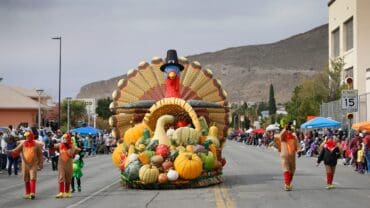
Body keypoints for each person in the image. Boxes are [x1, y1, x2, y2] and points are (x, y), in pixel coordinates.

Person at [7, 131, 43, 199]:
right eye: (26, 136)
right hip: (25, 164)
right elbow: (16, 150)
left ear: (31, 136)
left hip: (33, 164)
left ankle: (32, 193)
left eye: (28, 136)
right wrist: (10, 151)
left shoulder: (36, 145)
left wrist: (41, 163)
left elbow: (40, 155)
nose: (26, 137)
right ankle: (27, 193)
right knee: (26, 178)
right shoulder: (23, 144)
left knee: (33, 178)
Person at [274, 122, 299, 191]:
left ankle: (287, 184)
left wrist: (285, 128)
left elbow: (280, 135)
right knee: (292, 169)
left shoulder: (283, 137)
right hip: (291, 155)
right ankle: (288, 184)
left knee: (286, 169)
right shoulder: (293, 137)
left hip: (284, 154)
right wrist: (299, 151)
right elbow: (298, 146)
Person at [55, 133, 80, 198]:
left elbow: (75, 151)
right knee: (61, 177)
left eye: (66, 138)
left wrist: (78, 151)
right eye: (64, 138)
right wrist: (51, 144)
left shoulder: (72, 146)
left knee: (68, 178)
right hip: (61, 164)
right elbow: (54, 146)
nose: (65, 139)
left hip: (68, 164)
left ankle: (67, 192)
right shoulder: (60, 145)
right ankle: (61, 192)